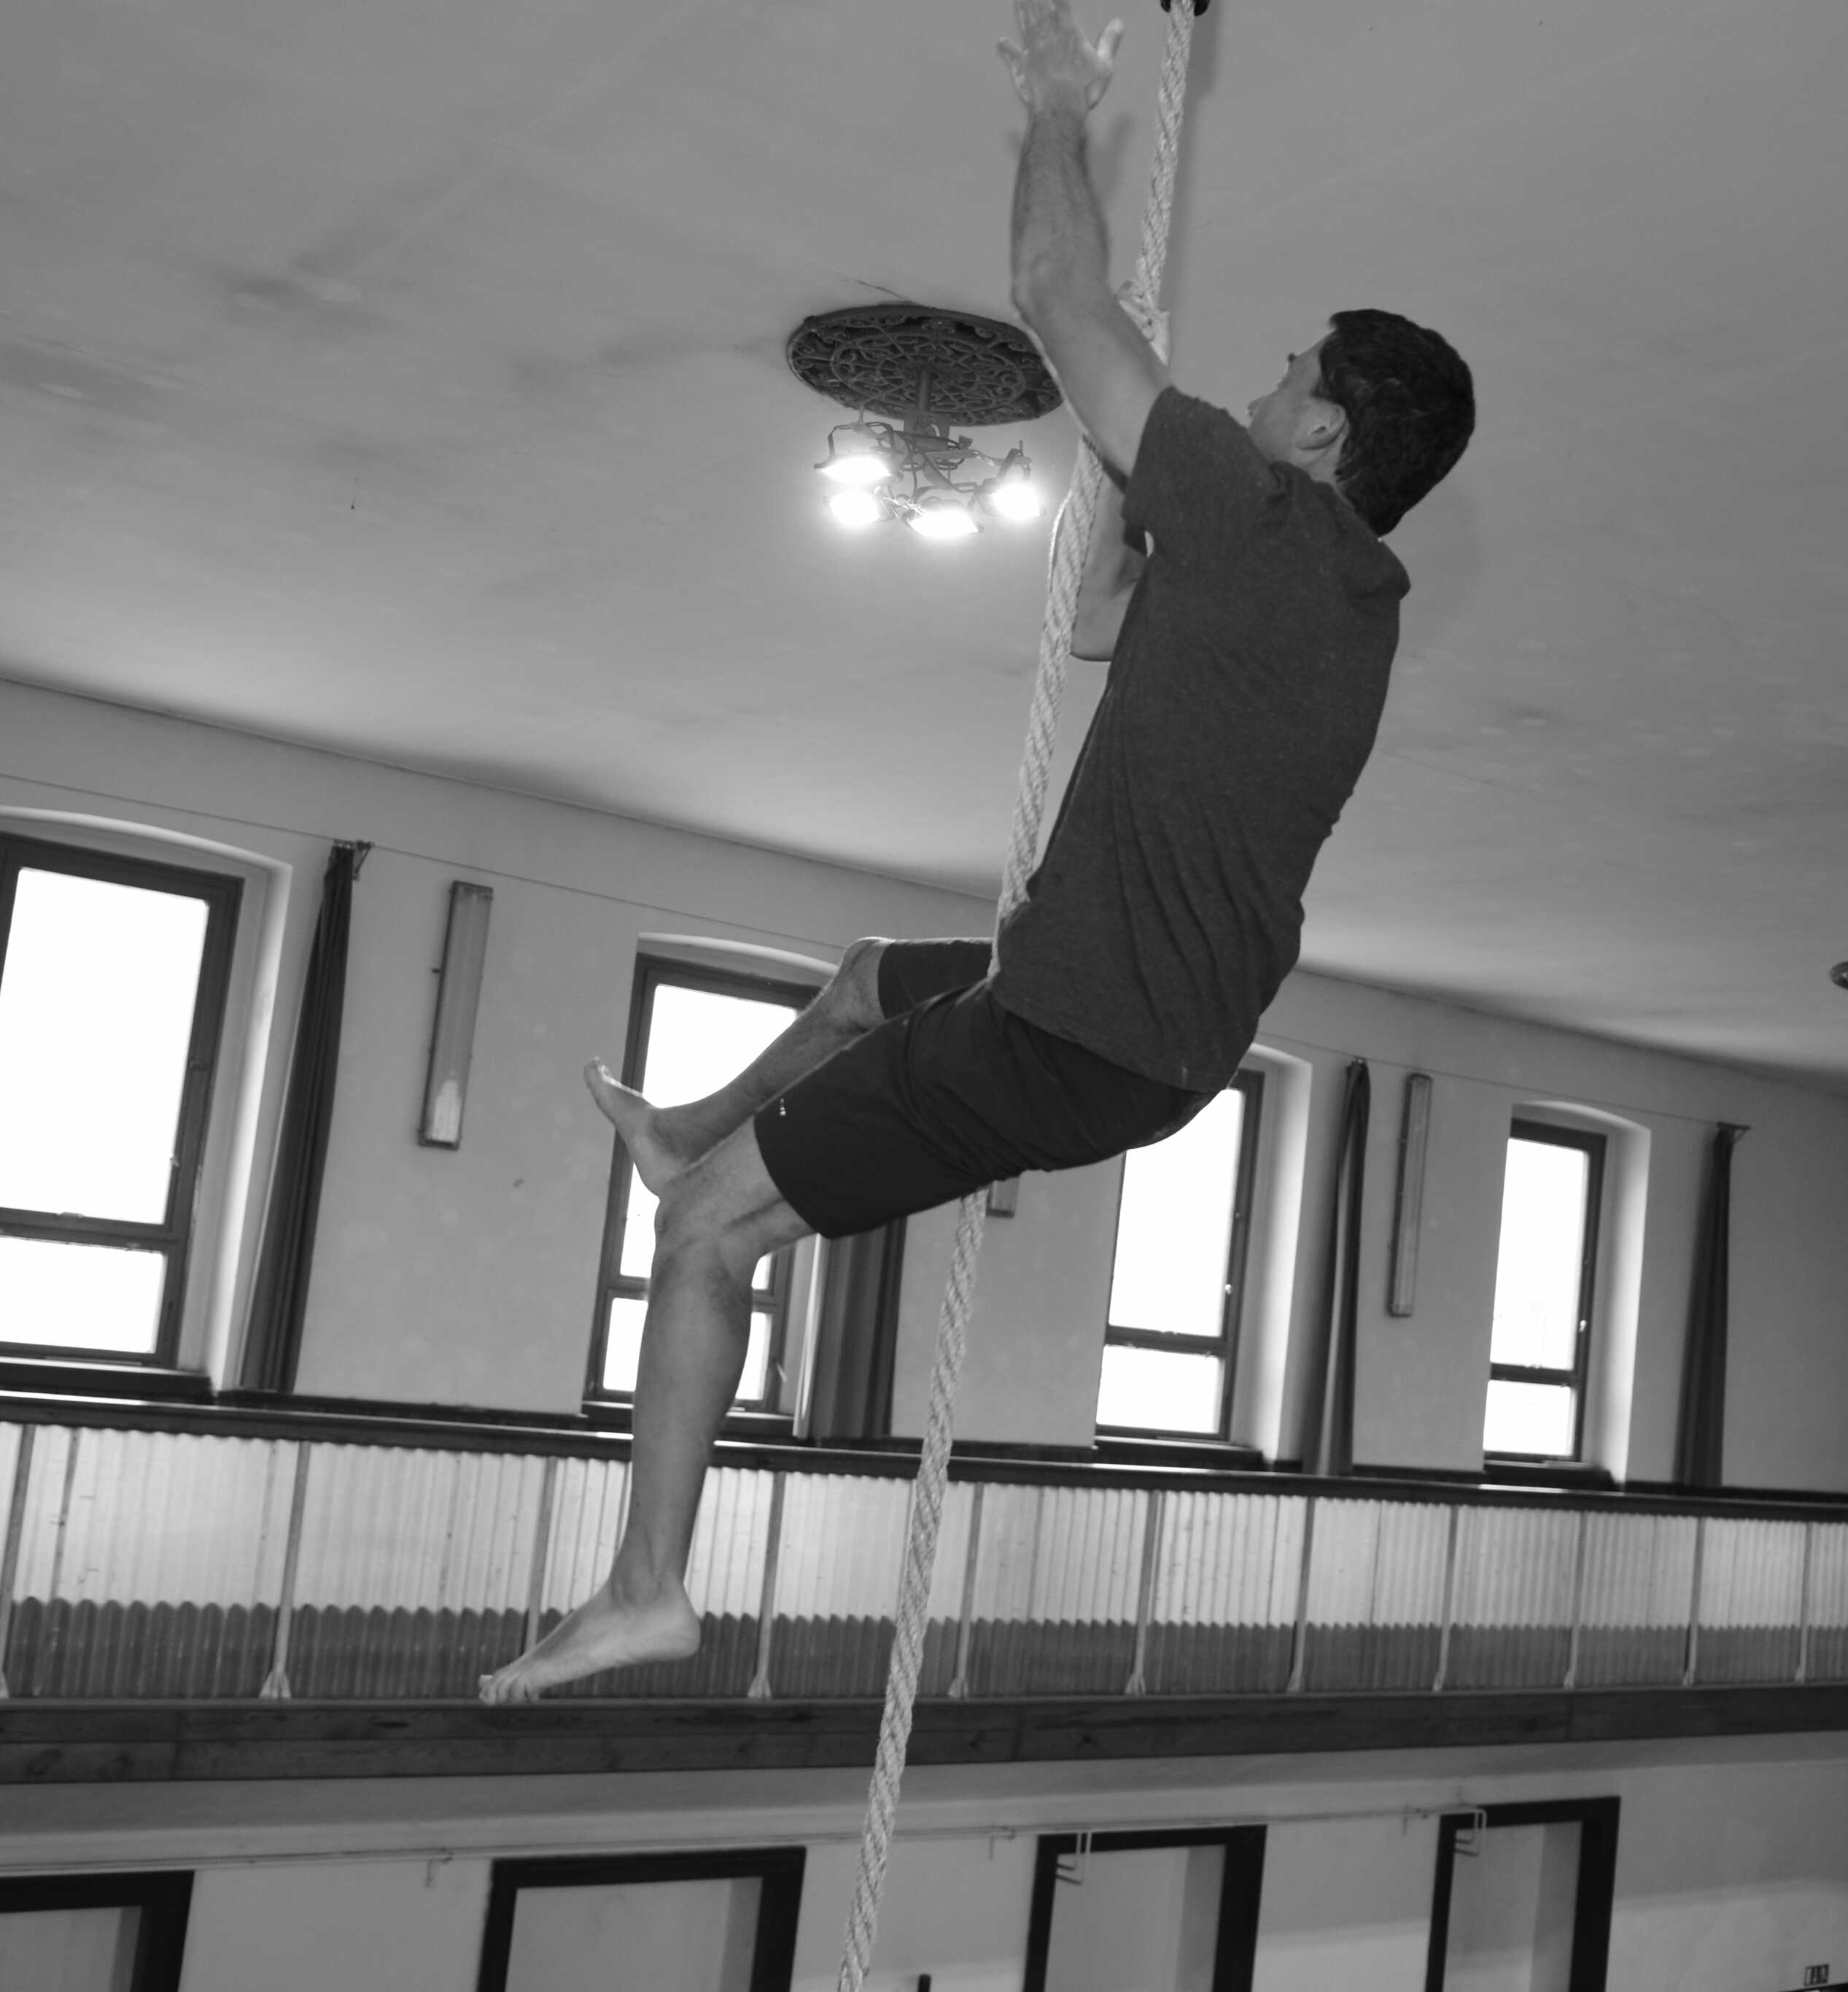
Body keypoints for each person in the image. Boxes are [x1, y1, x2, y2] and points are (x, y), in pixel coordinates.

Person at [478, 0, 1473, 1703]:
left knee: (708, 1239)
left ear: (1321, 435)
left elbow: (1050, 294)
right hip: (1124, 1015)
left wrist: (1063, 109)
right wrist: (1124, 466)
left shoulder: (1261, 525)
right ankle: (687, 1124)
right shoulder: (1335, 599)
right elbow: (1093, 625)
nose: (1266, 384)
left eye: (1292, 373)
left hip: (1073, 1031)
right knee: (872, 979)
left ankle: (645, 1588)